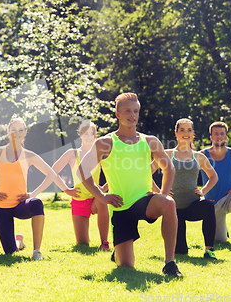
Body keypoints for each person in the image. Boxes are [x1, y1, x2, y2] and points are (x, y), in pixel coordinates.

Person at [77, 93, 182, 277]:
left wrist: (164, 194)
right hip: (121, 207)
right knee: (125, 266)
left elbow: (169, 168)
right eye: (127, 111)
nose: (132, 115)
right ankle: (118, 251)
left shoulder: (150, 141)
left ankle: (170, 262)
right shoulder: (105, 143)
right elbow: (82, 171)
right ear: (117, 114)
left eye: (135, 111)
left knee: (169, 203)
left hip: (145, 201)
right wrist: (101, 196)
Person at [0, 118, 56, 260]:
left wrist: (32, 194)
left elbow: (51, 174)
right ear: (8, 132)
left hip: (20, 205)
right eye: (13, 130)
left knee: (37, 203)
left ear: (25, 133)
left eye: (20, 130)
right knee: (10, 252)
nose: (17, 133)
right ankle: (19, 242)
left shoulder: (29, 155)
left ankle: (37, 252)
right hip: (1, 207)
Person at [152, 118, 218, 259]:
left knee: (208, 205)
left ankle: (209, 250)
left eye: (189, 130)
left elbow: (214, 177)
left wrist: (203, 191)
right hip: (173, 209)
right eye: (182, 130)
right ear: (176, 133)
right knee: (181, 251)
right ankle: (181, 245)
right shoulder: (167, 154)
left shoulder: (199, 157)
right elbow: (146, 173)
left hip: (192, 205)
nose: (186, 133)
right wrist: (159, 192)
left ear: (193, 133)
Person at [52, 120, 111, 251]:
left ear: (95, 135)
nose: (89, 136)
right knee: (82, 243)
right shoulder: (72, 153)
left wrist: (104, 188)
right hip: (79, 201)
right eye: (86, 133)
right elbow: (53, 171)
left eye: (92, 134)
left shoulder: (100, 154)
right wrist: (67, 190)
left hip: (95, 198)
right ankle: (86, 237)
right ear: (80, 135)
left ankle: (104, 242)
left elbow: (114, 173)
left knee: (102, 199)